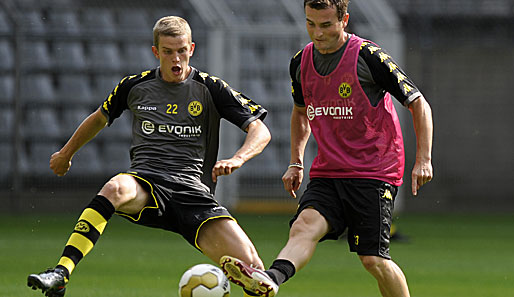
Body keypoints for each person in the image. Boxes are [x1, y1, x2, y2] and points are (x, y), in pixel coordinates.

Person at [27, 16, 271, 297]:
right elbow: (99, 118)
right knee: (115, 187)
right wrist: (65, 154)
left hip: (194, 194)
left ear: (192, 48)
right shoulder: (134, 86)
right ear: (156, 52)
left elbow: (260, 130)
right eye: (168, 52)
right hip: (148, 183)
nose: (176, 59)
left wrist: (238, 158)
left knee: (257, 275)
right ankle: (61, 273)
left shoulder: (210, 87)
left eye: (182, 50)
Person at [220, 1, 433, 296]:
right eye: (311, 24)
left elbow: (418, 103)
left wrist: (423, 158)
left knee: (373, 259)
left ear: (344, 20)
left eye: (326, 25)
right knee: (304, 226)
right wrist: (296, 162)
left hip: (374, 171)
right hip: (329, 170)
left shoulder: (368, 57)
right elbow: (300, 113)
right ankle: (271, 278)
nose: (317, 34)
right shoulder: (300, 62)